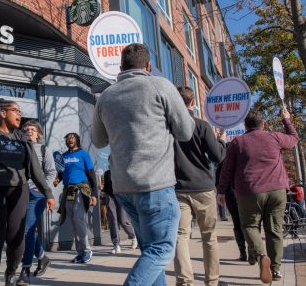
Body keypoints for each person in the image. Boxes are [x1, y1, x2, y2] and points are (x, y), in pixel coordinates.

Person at [91, 43, 195, 285]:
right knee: (161, 250)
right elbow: (186, 132)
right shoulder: (160, 86)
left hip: (124, 188)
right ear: (148, 66)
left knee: (149, 250)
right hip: (155, 185)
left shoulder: (106, 96)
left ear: (121, 67)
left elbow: (98, 140)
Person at [0, 99, 56, 286]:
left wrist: (48, 192)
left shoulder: (22, 137)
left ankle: (11, 273)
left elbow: (35, 168)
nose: (20, 115)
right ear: (3, 113)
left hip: (18, 189)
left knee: (16, 237)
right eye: (16, 111)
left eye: (20, 112)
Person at [217, 107, 299, 283]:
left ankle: (261, 255)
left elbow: (227, 170)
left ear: (245, 126)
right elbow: (293, 140)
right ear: (263, 124)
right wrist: (286, 119)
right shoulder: (274, 137)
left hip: (249, 191)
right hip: (277, 190)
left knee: (250, 226)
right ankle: (276, 270)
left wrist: (221, 190)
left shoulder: (237, 142)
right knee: (275, 230)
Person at [173, 87, 226, 286]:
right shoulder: (202, 126)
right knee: (209, 236)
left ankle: (185, 282)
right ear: (192, 102)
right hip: (203, 187)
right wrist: (221, 140)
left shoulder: (168, 127)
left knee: (180, 237)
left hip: (178, 188)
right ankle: (212, 281)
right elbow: (218, 156)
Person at [17, 120, 57, 285]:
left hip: (37, 195)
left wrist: (44, 189)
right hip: (20, 193)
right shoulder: (19, 147)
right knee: (28, 230)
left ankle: (25, 269)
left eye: (32, 129)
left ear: (38, 133)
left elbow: (51, 171)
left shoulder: (42, 149)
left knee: (26, 230)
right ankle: (42, 257)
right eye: (26, 129)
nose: (29, 131)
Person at [57, 132, 98, 264]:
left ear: (77, 141)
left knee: (78, 219)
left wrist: (94, 195)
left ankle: (87, 250)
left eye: (72, 138)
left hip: (81, 189)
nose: (70, 140)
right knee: (74, 222)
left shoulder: (83, 154)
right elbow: (61, 173)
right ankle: (80, 253)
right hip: (67, 191)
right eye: (68, 138)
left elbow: (91, 175)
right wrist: (57, 179)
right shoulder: (63, 156)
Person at [215, 159, 249, 263]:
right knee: (250, 223)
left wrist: (221, 191)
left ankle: (243, 253)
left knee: (237, 223)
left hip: (231, 193)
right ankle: (253, 252)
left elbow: (218, 179)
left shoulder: (224, 160)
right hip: (247, 191)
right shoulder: (246, 157)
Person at [103, 169, 137, 254]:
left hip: (122, 195)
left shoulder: (121, 170)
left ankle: (133, 236)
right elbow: (106, 186)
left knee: (123, 220)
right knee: (113, 220)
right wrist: (102, 188)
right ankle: (116, 244)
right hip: (110, 196)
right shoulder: (107, 173)